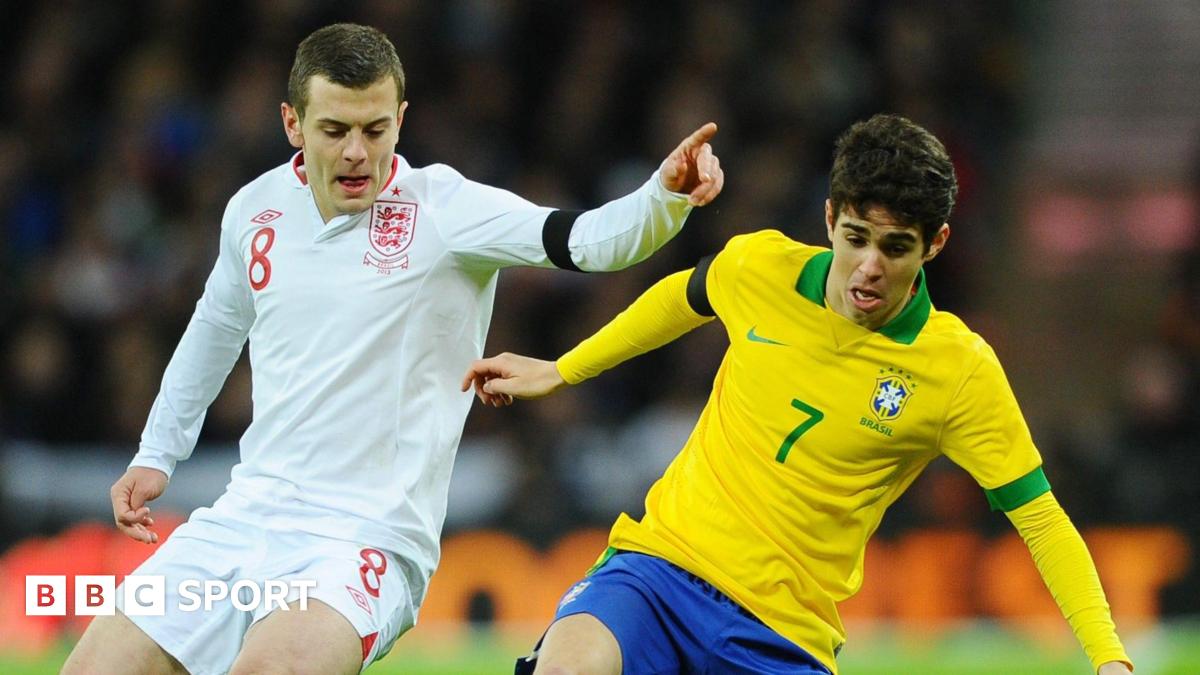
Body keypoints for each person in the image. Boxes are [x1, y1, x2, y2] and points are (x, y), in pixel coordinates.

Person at [62, 22, 724, 675]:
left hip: (363, 537)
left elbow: (587, 240)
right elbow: (213, 331)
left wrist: (661, 196)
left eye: (374, 129)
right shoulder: (253, 210)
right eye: (335, 130)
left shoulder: (444, 209)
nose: (356, 151)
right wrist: (157, 453)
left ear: (400, 120)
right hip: (245, 514)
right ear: (293, 123)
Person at [463, 114, 1134, 675]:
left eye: (897, 247)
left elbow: (1039, 518)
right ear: (830, 216)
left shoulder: (958, 370)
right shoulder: (761, 267)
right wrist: (566, 368)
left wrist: (1109, 657)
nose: (869, 266)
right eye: (856, 238)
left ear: (936, 244)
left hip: (782, 635)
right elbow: (686, 296)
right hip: (658, 571)